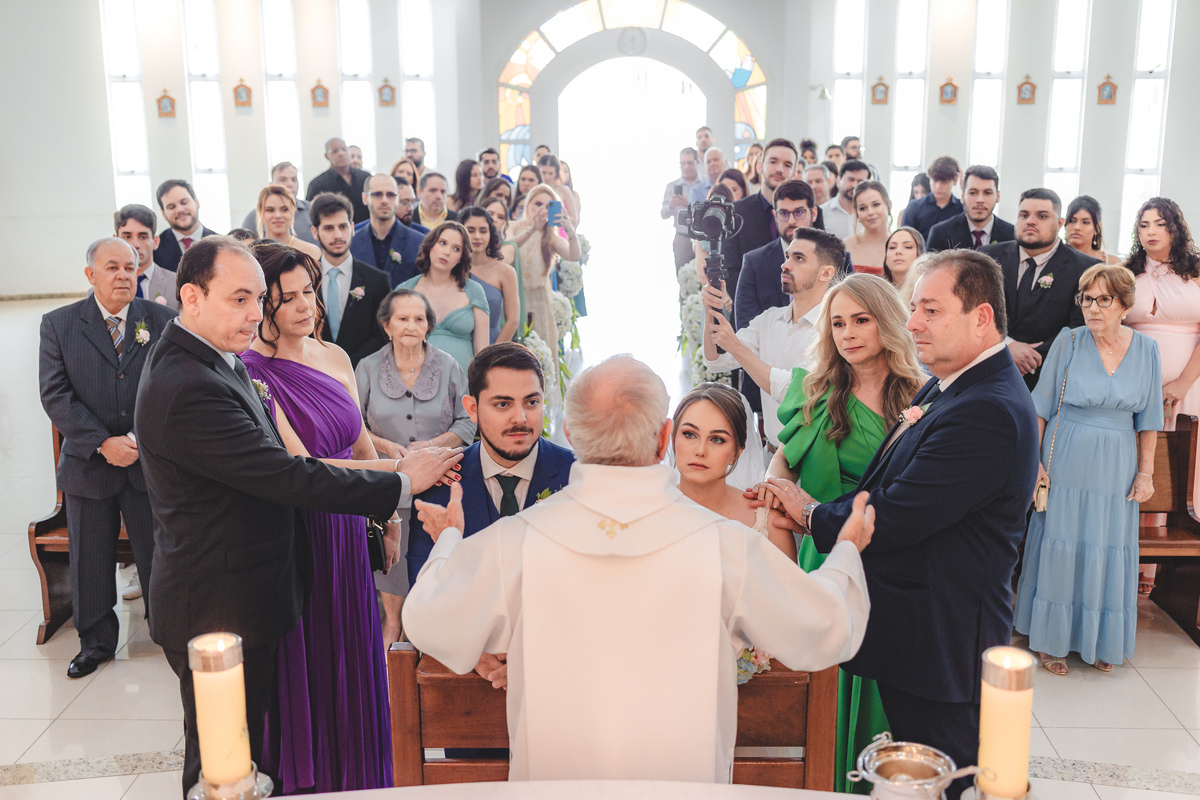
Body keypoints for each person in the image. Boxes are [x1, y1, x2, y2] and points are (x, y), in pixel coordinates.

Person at [402, 355, 872, 784]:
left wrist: (448, 538)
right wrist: (846, 552)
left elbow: (428, 618)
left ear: (568, 432)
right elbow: (825, 627)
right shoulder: (725, 545)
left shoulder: (517, 542)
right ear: (665, 437)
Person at [136, 235, 462, 795]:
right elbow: (288, 474)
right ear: (191, 296)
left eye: (259, 299)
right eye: (240, 298)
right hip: (218, 604)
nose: (254, 313)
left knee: (245, 756)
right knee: (222, 762)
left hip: (249, 588)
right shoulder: (187, 384)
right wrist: (404, 480)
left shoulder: (215, 359)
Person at [763, 250, 1040, 800]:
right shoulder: (949, 386)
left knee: (947, 777)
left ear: (981, 318)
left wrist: (807, 511)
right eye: (913, 307)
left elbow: (893, 516)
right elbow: (883, 482)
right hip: (913, 631)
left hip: (942, 643)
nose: (913, 323)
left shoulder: (985, 409)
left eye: (930, 310)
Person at [241, 241, 402, 793]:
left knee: (354, 651)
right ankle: (308, 776)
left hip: (349, 527)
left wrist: (388, 517)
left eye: (308, 292)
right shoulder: (253, 374)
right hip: (300, 533)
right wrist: (406, 471)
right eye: (287, 299)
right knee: (308, 656)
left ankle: (356, 773)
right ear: (264, 307)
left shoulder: (334, 357)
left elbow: (360, 450)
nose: (305, 306)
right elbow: (300, 466)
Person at [759, 272, 924, 793]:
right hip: (823, 555)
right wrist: (777, 501)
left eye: (861, 320)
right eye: (838, 323)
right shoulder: (817, 390)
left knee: (882, 688)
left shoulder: (920, 395)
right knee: (825, 685)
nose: (848, 333)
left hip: (893, 561)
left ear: (887, 323)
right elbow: (780, 466)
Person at [39, 238, 177, 678]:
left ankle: (170, 632)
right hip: (88, 464)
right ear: (90, 275)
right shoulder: (59, 324)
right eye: (112, 267)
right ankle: (95, 643)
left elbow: (173, 386)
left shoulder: (161, 320)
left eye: (130, 267)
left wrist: (136, 437)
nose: (122, 275)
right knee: (91, 558)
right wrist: (102, 442)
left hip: (146, 461)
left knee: (159, 554)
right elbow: (55, 395)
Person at [1015, 264, 1162, 675]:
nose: (1092, 308)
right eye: (1086, 299)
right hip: (1068, 455)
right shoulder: (1070, 341)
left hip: (1117, 462)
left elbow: (1148, 419)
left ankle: (1099, 638)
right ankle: (1051, 640)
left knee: (1108, 547)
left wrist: (1145, 473)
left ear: (1124, 305)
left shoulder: (1147, 350)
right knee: (1062, 542)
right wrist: (1037, 464)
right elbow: (1040, 407)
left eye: (1103, 300)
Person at [355, 288, 476, 644]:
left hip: (441, 477)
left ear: (428, 327)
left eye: (418, 319)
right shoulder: (366, 367)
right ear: (386, 325)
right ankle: (392, 625)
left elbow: (467, 422)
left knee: (431, 553)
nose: (411, 325)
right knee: (391, 562)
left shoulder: (450, 366)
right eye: (402, 318)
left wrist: (432, 447)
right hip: (387, 481)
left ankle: (424, 628)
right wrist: (384, 447)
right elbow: (353, 426)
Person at [404, 339, 574, 583]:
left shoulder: (576, 475)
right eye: (503, 404)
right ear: (472, 409)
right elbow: (424, 592)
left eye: (532, 402)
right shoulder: (440, 484)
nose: (521, 418)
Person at [704, 228, 844, 447]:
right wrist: (711, 310)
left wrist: (737, 347)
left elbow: (793, 392)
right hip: (769, 451)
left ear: (825, 273)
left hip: (813, 459)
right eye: (787, 256)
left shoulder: (835, 329)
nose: (785, 265)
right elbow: (717, 361)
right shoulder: (768, 319)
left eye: (799, 258)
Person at [1123, 197, 1200, 594]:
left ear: (1175, 229)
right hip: (1137, 385)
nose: (1150, 232)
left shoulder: (1197, 270)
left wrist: (1183, 382)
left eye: (1159, 224)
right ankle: (1134, 567)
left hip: (1188, 387)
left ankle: (1172, 577)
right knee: (1139, 466)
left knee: (1183, 468)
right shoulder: (1126, 272)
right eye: (1143, 225)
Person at [980, 188, 1099, 389]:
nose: (1031, 221)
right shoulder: (987, 257)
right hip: (988, 369)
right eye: (1024, 215)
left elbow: (1080, 325)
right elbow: (973, 309)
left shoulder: (1086, 268)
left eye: (1042, 216)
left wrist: (1032, 358)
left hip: (1048, 376)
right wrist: (1007, 346)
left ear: (1060, 223)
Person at [673, 382, 792, 557]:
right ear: (672, 437)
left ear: (736, 452)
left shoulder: (768, 523)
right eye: (690, 434)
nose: (700, 451)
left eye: (717, 439)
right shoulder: (648, 513)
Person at [733, 179, 851, 332]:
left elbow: (847, 314)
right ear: (775, 215)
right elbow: (745, 326)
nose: (791, 221)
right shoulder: (754, 262)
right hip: (766, 351)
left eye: (799, 212)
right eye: (783, 213)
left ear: (813, 213)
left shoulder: (838, 257)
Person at [309, 192, 390, 367]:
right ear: (315, 232)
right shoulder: (305, 278)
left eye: (343, 227)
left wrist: (347, 365)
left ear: (353, 228)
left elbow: (381, 334)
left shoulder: (377, 281)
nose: (338, 235)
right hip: (313, 371)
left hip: (362, 373)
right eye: (329, 228)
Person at [397, 221, 489, 371]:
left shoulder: (474, 291)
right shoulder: (405, 290)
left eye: (456, 249)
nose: (447, 252)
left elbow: (482, 353)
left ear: (461, 257)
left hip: (463, 383)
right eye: (442, 243)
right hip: (414, 381)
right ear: (431, 245)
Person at [511, 184, 581, 362]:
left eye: (548, 206)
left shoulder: (551, 238)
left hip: (539, 303)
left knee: (537, 358)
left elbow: (573, 255)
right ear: (528, 205)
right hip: (514, 300)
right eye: (537, 204)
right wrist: (532, 228)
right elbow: (507, 250)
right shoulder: (514, 227)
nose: (542, 210)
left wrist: (570, 229)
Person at [722, 138, 799, 297]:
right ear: (759, 166)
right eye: (773, 162)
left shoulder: (806, 213)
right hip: (748, 311)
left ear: (794, 172)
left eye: (787, 165)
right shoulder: (737, 211)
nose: (779, 169)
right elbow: (730, 270)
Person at [350, 174, 425, 287]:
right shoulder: (351, 243)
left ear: (397, 198)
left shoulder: (418, 243)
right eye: (377, 194)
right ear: (365, 198)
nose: (384, 201)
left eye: (390, 195)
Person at [462, 206, 521, 343]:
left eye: (483, 231)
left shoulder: (505, 272)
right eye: (470, 230)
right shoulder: (452, 268)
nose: (477, 236)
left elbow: (512, 321)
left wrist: (491, 356)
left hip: (493, 344)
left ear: (491, 233)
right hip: (458, 345)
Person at [926, 166, 1015, 252]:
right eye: (973, 193)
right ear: (962, 196)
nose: (980, 200)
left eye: (987, 193)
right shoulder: (940, 233)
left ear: (998, 197)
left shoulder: (1012, 235)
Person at [115, 204, 178, 310]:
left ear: (156, 242)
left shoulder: (176, 285)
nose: (135, 245)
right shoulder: (99, 290)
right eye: (127, 237)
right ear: (115, 241)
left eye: (143, 237)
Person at [241, 162, 315, 244]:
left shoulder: (311, 210)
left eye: (294, 180)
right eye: (283, 180)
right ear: (271, 184)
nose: (290, 184)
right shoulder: (254, 217)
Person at [153, 179, 217, 272]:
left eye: (184, 202)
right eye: (171, 207)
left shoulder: (220, 243)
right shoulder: (156, 250)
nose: (179, 210)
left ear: (196, 202)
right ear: (163, 213)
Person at [305, 137, 372, 224]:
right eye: (335, 151)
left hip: (367, 231)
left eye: (344, 149)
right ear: (326, 156)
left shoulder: (365, 177)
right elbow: (311, 215)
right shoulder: (317, 184)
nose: (341, 153)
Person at [252, 184, 322, 262]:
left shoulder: (311, 252)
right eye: (270, 210)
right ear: (261, 213)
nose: (278, 215)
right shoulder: (253, 254)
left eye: (284, 209)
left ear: (292, 212)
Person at [900, 156, 962, 241]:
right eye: (935, 180)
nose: (938, 186)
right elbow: (904, 240)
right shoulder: (914, 207)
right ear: (929, 178)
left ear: (955, 180)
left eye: (944, 181)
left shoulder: (962, 209)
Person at [661, 147, 705, 268]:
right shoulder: (672, 186)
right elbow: (663, 214)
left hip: (703, 239)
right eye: (683, 163)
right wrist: (670, 206)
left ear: (697, 163)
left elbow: (710, 210)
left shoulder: (705, 183)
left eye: (690, 163)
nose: (686, 167)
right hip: (682, 239)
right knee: (684, 277)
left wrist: (690, 205)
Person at [843, 181, 893, 275]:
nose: (870, 212)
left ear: (889, 205)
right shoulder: (845, 246)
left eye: (876, 205)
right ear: (856, 213)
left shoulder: (899, 248)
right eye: (863, 208)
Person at [820, 160, 870, 241]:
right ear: (838, 180)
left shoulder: (871, 214)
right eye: (851, 180)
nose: (855, 185)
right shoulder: (822, 212)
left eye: (860, 182)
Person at [1064, 195, 1121, 265]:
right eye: (1072, 221)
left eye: (1085, 222)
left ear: (1097, 227)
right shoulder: (1051, 257)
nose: (1077, 227)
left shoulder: (1111, 263)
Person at [537, 153, 579, 226]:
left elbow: (575, 220)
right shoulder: (536, 190)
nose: (546, 177)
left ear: (556, 173)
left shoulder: (564, 190)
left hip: (559, 231)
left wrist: (562, 218)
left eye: (550, 173)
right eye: (543, 173)